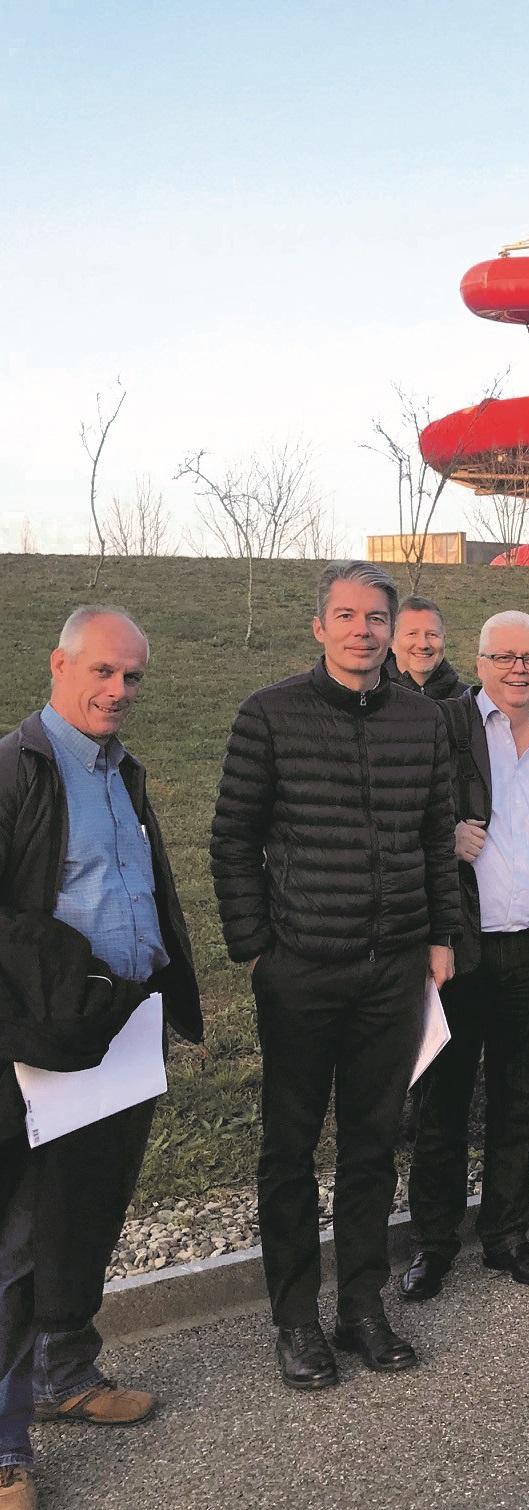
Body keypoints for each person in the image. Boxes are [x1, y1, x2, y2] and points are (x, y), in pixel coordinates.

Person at [210, 561, 461, 1390]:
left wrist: (440, 935)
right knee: (288, 1149)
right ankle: (294, 1318)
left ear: (393, 629)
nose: (363, 630)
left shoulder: (423, 721)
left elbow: (435, 837)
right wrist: (256, 947)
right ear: (319, 627)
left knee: (370, 1144)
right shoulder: (269, 715)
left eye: (376, 617)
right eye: (346, 616)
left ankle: (361, 1303)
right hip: (301, 969)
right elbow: (233, 840)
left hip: (392, 969)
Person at [0, 608, 202, 1510]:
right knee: (20, 1239)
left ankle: (66, 1376)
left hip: (124, 1028)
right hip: (44, 1038)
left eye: (133, 678)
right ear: (60, 664)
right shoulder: (16, 769)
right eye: (104, 673)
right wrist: (60, 984)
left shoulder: (126, 772)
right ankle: (6, 1451)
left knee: (89, 1215)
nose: (119, 691)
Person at [400, 612, 529, 1303]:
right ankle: (432, 1246)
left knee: (518, 1104)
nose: (520, 670)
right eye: (506, 657)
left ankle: (508, 1236)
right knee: (443, 1107)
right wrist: (442, 838)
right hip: (458, 953)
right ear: (481, 660)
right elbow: (403, 819)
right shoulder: (444, 728)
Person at [390, 595, 465, 700]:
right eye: (412, 634)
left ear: (444, 640)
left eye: (432, 634)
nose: (423, 645)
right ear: (392, 641)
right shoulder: (370, 698)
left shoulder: (468, 702)